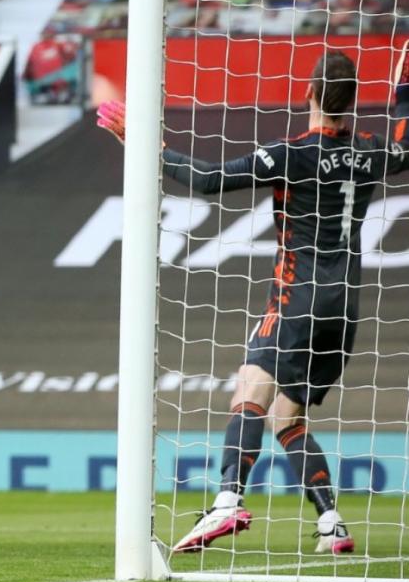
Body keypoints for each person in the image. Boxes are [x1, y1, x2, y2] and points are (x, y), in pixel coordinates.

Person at [98, 51, 409, 555]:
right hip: (346, 309)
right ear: (352, 102)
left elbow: (208, 180)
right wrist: (403, 95)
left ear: (309, 92)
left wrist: (147, 147)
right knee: (287, 416)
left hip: (297, 295)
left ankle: (226, 500)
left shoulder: (289, 153)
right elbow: (406, 148)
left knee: (249, 387)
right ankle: (331, 520)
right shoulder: (371, 151)